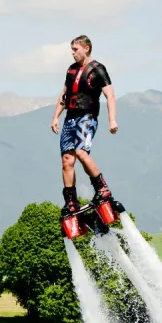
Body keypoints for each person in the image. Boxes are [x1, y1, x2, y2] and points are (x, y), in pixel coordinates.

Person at [50, 35, 118, 215]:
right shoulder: (71, 70)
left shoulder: (98, 69)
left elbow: (110, 95)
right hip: (69, 119)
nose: (73, 53)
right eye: (72, 50)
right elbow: (64, 96)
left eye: (75, 49)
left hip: (87, 117)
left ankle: (102, 188)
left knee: (81, 152)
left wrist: (112, 119)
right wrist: (55, 117)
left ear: (86, 48)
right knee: (67, 160)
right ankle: (71, 202)